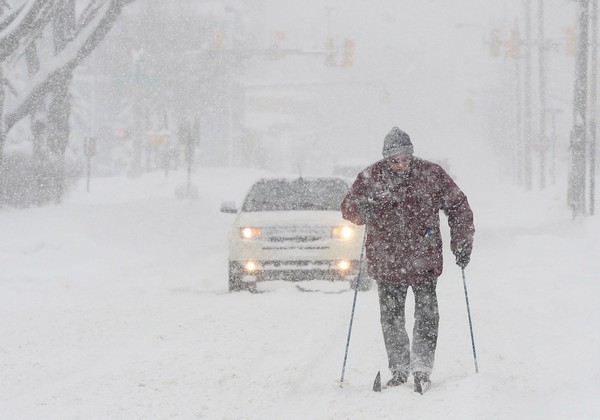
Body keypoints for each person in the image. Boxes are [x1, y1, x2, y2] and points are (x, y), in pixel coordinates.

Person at [341, 127, 475, 394]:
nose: (400, 164)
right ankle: (399, 368)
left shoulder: (431, 174)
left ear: (412, 155)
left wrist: (461, 242)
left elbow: (458, 205)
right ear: (385, 158)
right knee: (391, 319)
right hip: (386, 260)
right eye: (394, 160)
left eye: (405, 159)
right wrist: (361, 208)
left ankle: (422, 367)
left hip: (423, 259)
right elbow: (348, 208)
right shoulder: (371, 176)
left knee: (426, 316)